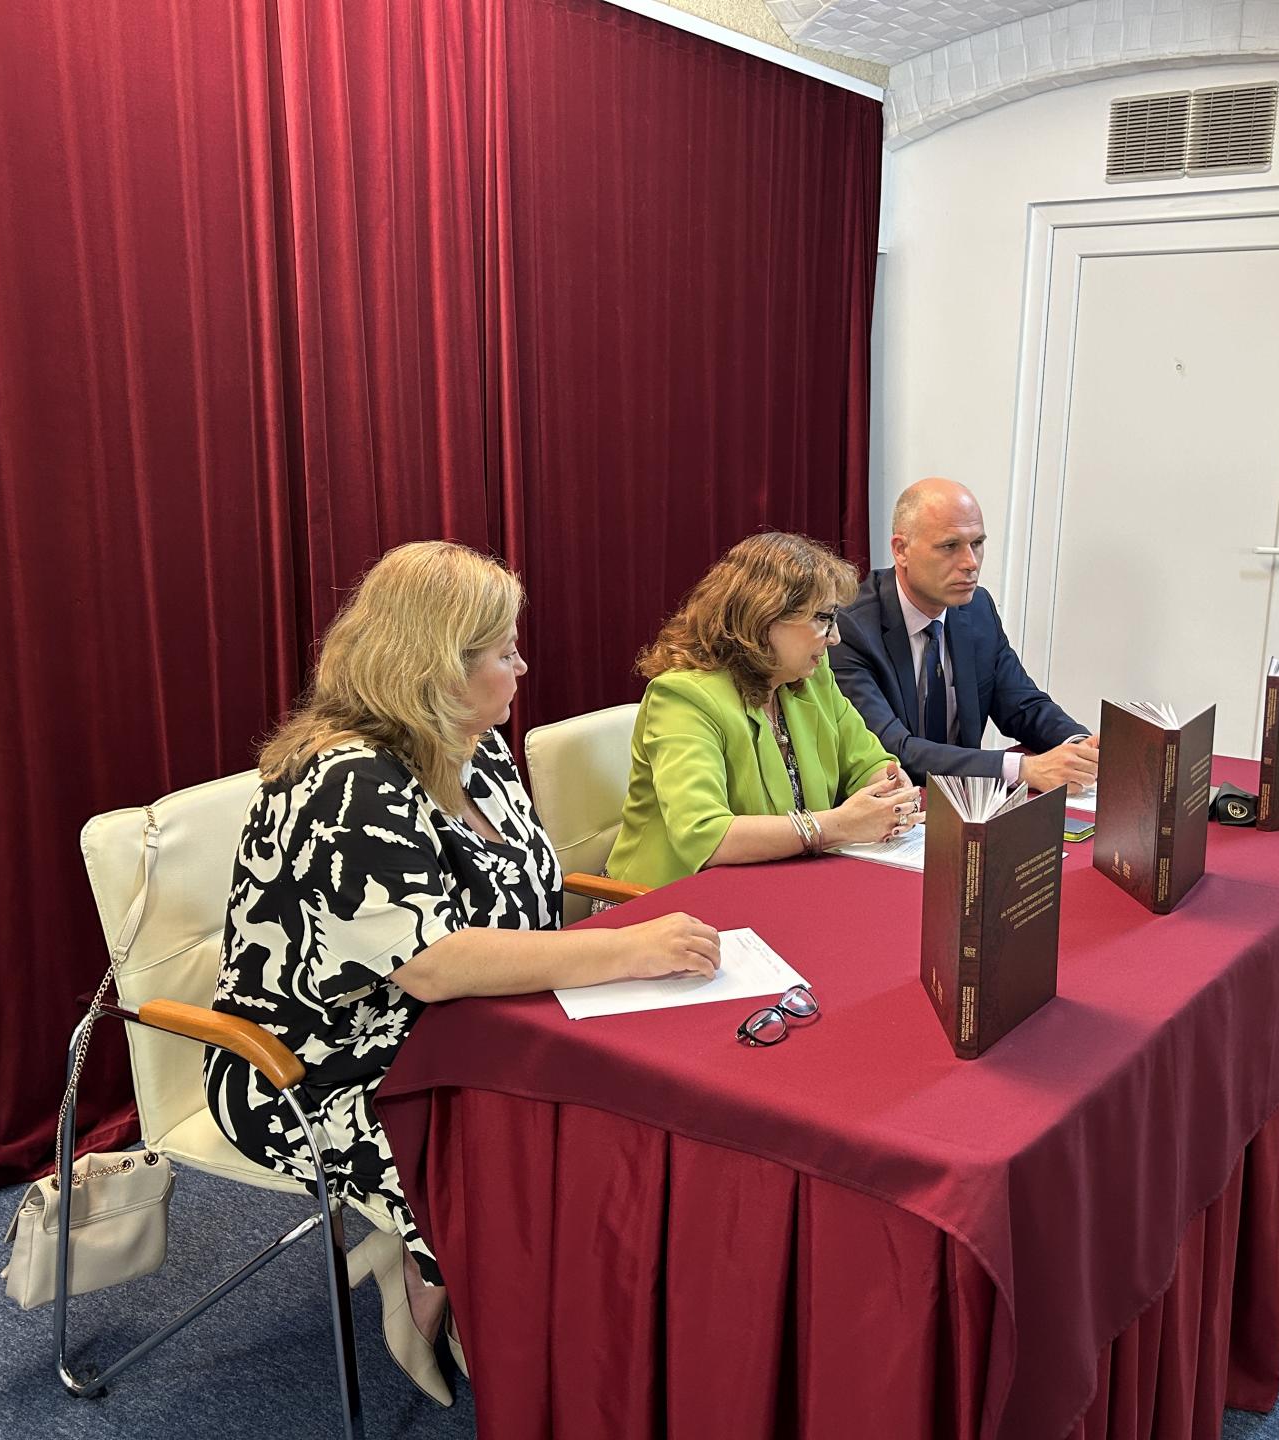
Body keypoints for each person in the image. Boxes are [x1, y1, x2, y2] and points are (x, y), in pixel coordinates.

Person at [204, 541, 719, 1406]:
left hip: (474, 1024)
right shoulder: (347, 781)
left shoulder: (472, 745)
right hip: (317, 1064)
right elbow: (434, 964)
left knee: (617, 1108)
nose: (523, 667)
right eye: (505, 651)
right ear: (438, 667)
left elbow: (523, 897)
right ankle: (458, 1288)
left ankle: (533, 1303)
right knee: (514, 1151)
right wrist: (628, 951)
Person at [605, 531, 920, 889]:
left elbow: (868, 762)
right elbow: (704, 835)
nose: (835, 638)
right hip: (663, 899)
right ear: (765, 616)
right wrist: (838, 825)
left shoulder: (811, 679)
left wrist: (889, 791)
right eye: (823, 619)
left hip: (774, 882)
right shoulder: (683, 697)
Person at [831, 477, 1099, 792]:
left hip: (968, 803)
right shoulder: (850, 627)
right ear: (901, 550)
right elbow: (892, 748)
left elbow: (1023, 705)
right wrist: (1022, 768)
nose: (971, 563)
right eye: (950, 546)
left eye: (977, 543)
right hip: (890, 806)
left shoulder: (977, 609)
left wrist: (1079, 746)